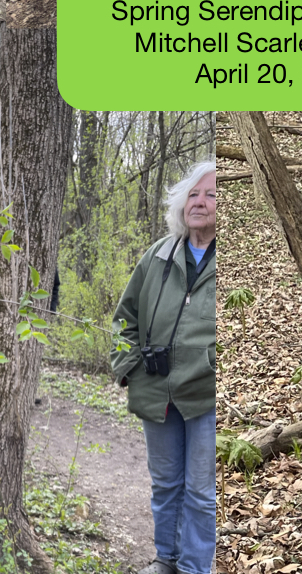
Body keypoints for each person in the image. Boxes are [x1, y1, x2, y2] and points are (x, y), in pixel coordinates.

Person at [112, 162, 216, 574]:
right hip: (156, 390)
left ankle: (193, 567)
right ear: (180, 203)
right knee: (167, 485)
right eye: (193, 194)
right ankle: (166, 560)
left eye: (211, 194)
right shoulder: (157, 255)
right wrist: (129, 366)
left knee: (201, 491)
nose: (200, 202)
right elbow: (125, 318)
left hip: (206, 394)